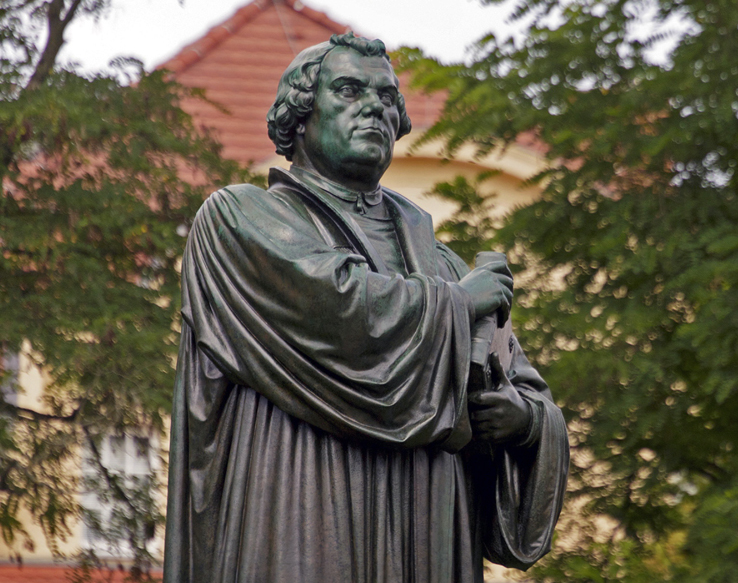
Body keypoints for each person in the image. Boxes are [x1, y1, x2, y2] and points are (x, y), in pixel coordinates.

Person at [163, 33, 569, 583]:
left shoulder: (444, 263)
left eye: (387, 96)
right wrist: (457, 305)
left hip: (427, 529)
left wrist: (523, 423)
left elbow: (529, 397)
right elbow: (339, 311)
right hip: (304, 505)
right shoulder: (238, 219)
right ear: (299, 116)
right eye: (350, 90)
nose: (375, 106)